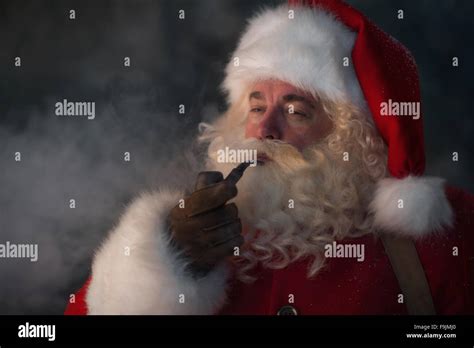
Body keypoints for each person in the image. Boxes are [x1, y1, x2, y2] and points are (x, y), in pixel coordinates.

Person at [65, 0, 474, 315]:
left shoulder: (443, 239)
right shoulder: (197, 232)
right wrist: (166, 259)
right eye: (256, 107)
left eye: (296, 112)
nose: (264, 131)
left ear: (355, 139)